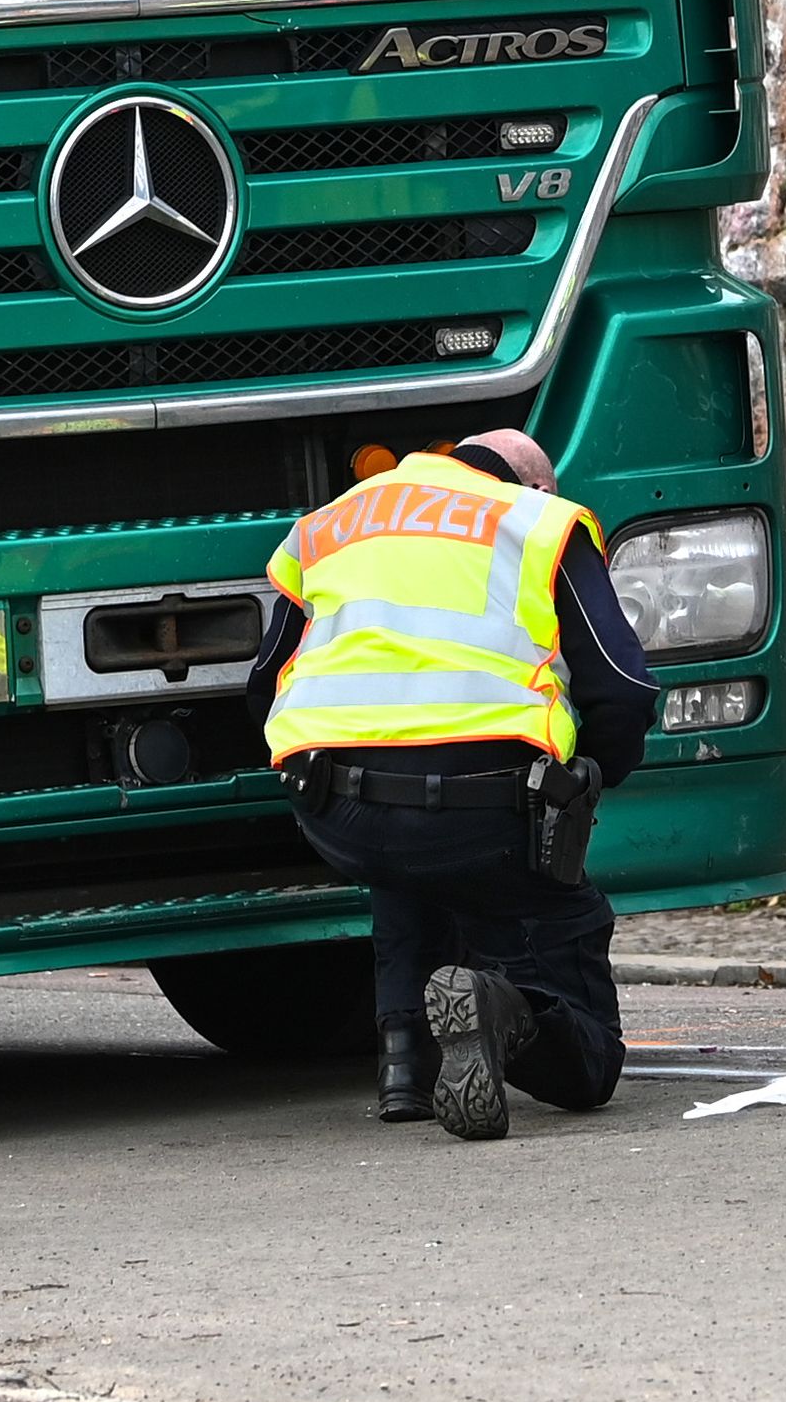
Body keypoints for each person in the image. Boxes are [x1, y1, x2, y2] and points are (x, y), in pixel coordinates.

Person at [252, 424, 658, 1141]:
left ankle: (404, 1062)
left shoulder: (331, 523)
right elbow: (622, 687)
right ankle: (507, 1010)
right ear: (532, 483)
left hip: (335, 810)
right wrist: (588, 777)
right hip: (488, 808)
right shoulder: (540, 522)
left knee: (405, 853)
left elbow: (264, 682)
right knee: (592, 1059)